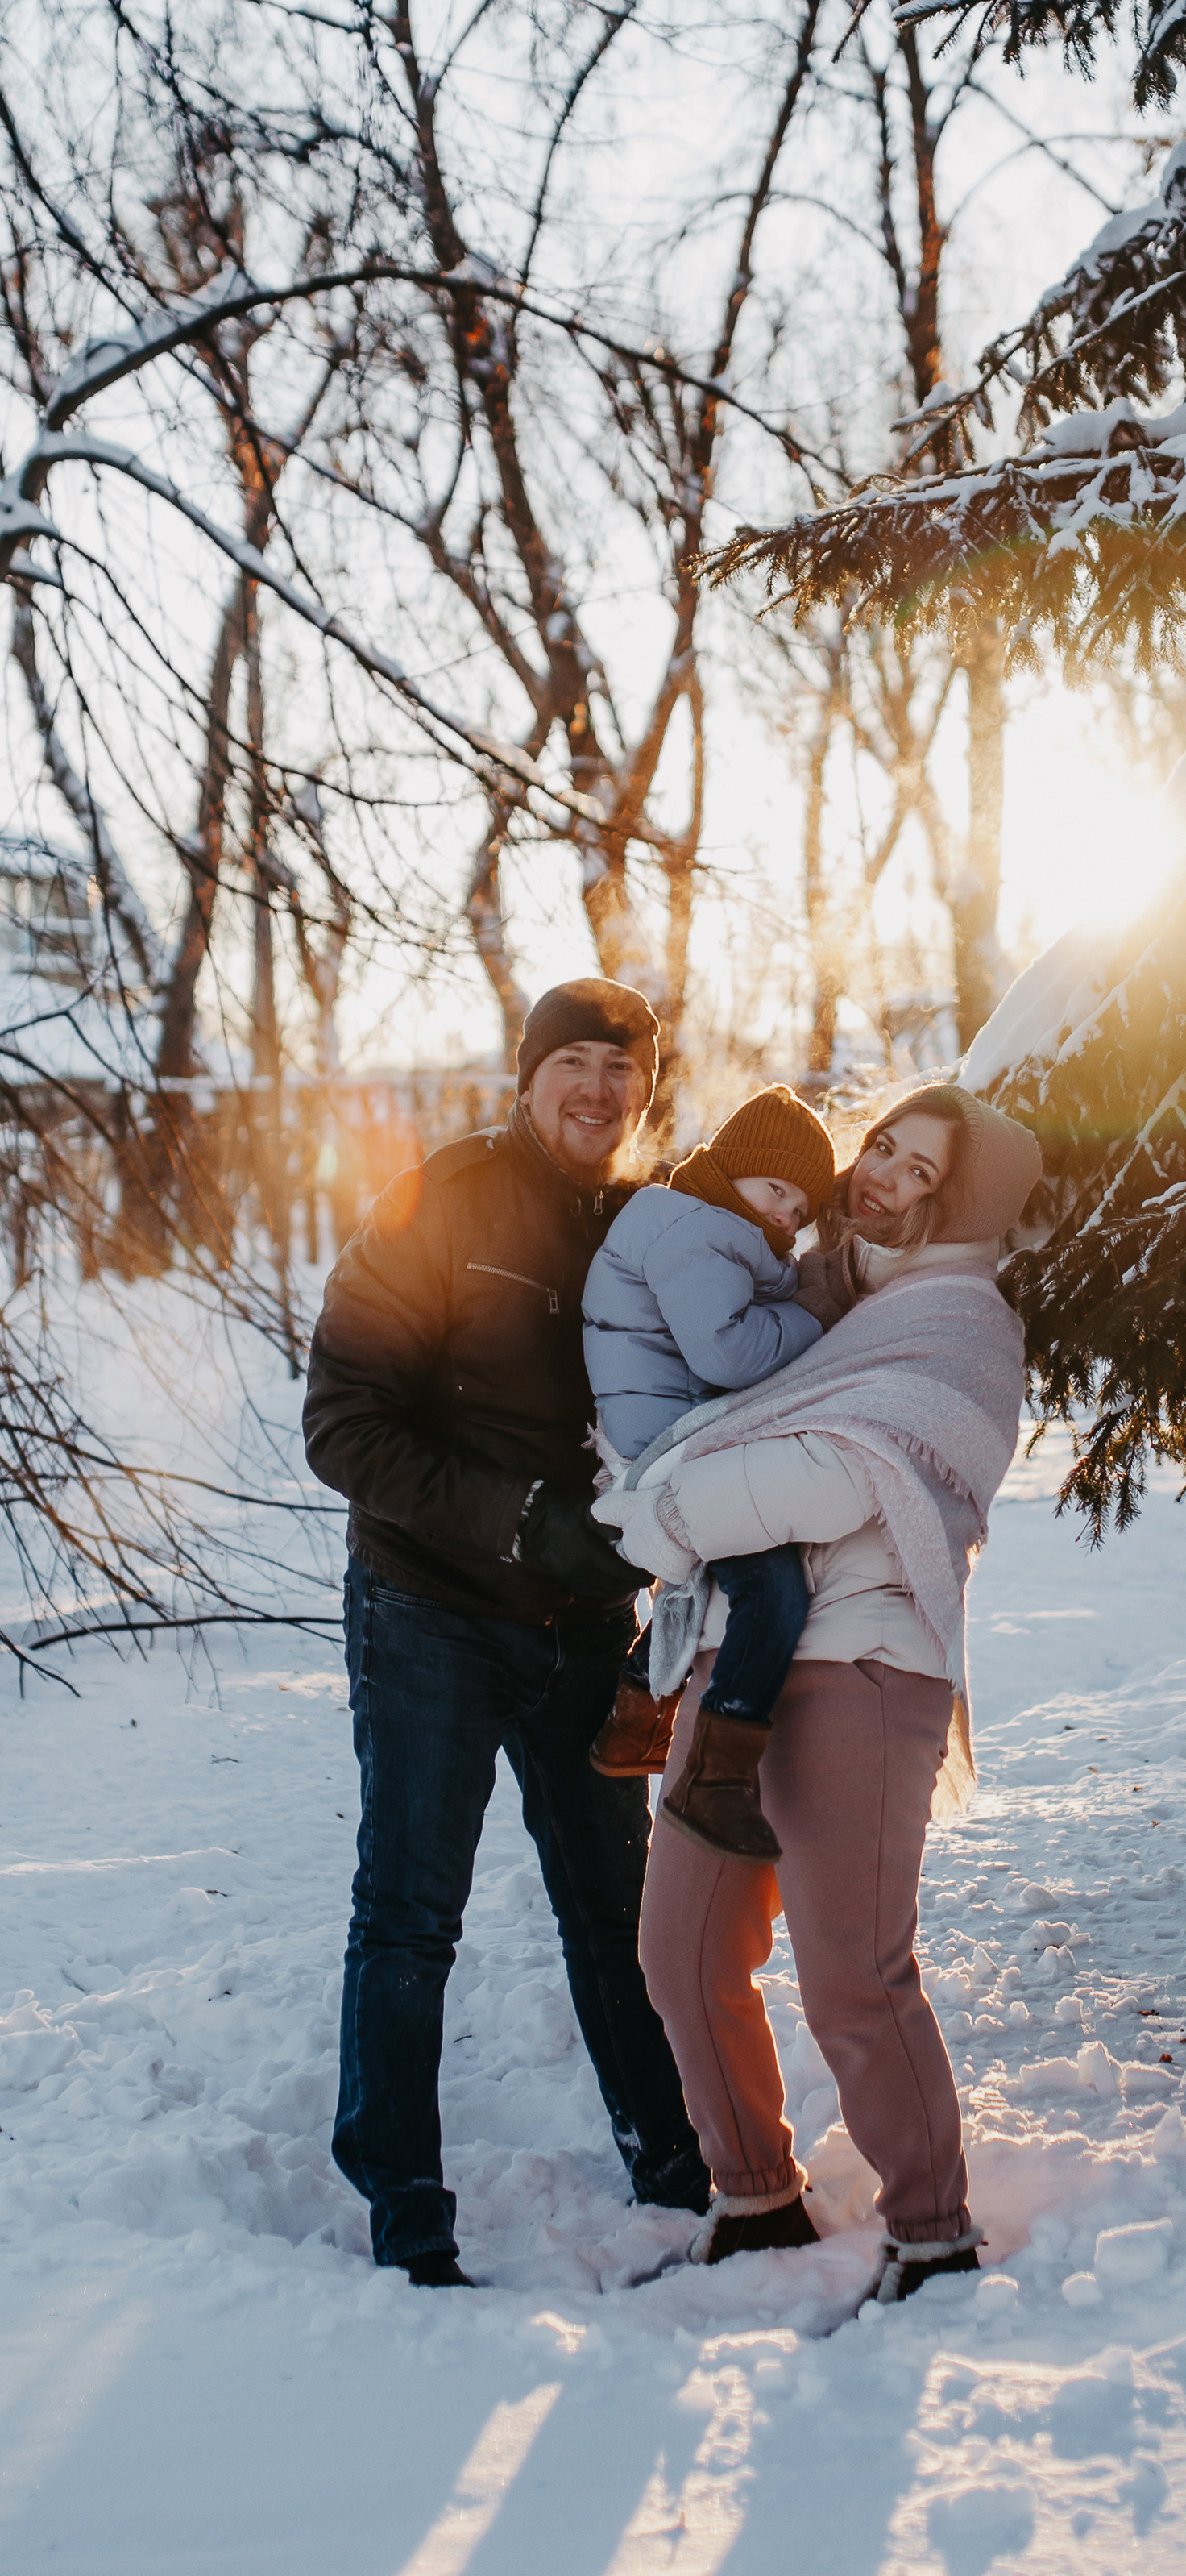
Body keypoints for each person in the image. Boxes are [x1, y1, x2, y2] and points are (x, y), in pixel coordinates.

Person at [599, 1085, 1041, 2297]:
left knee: (853, 1969)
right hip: (731, 1661)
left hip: (863, 1663)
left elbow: (839, 1475)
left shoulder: (961, 1327)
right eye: (883, 1146)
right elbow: (732, 1415)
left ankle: (933, 2232)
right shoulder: (817, 1299)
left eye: (916, 1168)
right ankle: (754, 2202)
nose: (880, 1173)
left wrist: (659, 1505)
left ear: (961, 1204)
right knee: (680, 1951)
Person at [302, 978, 710, 2287]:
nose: (597, 1088)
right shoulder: (447, 1199)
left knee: (619, 1914)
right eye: (573, 1063)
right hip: (433, 1612)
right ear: (527, 1077)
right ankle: (403, 2202)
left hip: (591, 1633)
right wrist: (522, 1517)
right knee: (412, 1913)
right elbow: (344, 1425)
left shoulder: (658, 1228)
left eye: (621, 1067)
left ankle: (675, 2170)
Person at [581, 1084, 839, 1841]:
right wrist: (817, 1311)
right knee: (772, 1581)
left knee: (706, 1574)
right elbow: (726, 1352)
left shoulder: (698, 1226)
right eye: (776, 1191)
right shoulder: (700, 1231)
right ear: (730, 1171)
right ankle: (715, 1780)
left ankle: (634, 1723)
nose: (786, 1217)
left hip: (659, 1430)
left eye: (800, 1210)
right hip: (666, 1440)